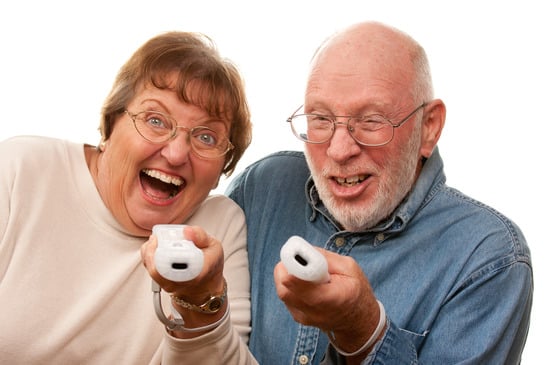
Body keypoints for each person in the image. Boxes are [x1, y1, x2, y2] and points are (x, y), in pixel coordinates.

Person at [226, 21, 533, 364]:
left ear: (428, 127)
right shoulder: (262, 189)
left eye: (371, 121)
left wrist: (364, 332)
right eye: (321, 119)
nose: (340, 151)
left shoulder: (489, 256)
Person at [0, 31, 256, 364]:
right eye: (155, 120)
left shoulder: (219, 227)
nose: (177, 153)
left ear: (224, 166)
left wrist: (200, 305)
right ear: (110, 124)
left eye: (206, 137)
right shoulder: (21, 170)